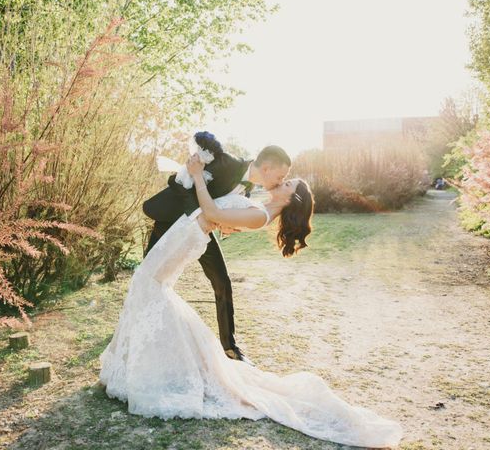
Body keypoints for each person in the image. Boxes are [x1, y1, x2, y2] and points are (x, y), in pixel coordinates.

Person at [98, 136, 403, 448]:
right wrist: (203, 190)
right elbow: (219, 213)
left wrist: (203, 186)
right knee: (151, 288)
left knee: (152, 287)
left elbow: (214, 212)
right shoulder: (256, 202)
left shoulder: (260, 213)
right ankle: (149, 360)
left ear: (290, 199)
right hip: (183, 230)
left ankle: (157, 364)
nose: (282, 182)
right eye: (283, 178)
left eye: (287, 183)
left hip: (190, 232)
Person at [142, 132, 291, 364]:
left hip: (202, 234)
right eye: (281, 176)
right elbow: (178, 182)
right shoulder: (226, 163)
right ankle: (140, 330)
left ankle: (230, 347)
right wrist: (199, 215)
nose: (281, 181)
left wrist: (224, 225)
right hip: (171, 222)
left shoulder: (248, 189)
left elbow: (222, 207)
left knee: (222, 281)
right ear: (268, 168)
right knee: (148, 277)